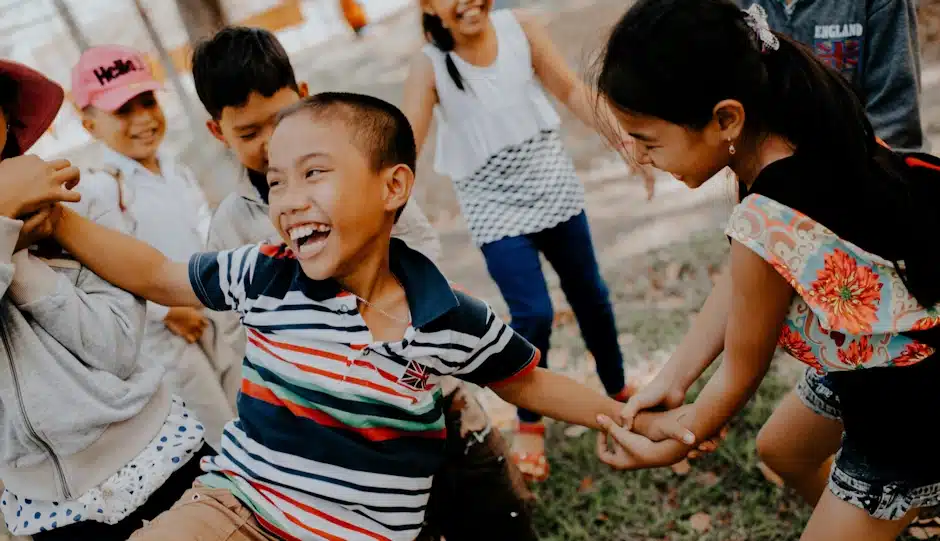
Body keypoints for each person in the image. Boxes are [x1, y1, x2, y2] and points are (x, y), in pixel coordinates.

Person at [46, 92, 681, 541]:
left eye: (313, 174)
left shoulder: (448, 320)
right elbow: (158, 274)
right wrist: (59, 220)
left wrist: (623, 416)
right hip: (238, 509)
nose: (289, 201)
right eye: (276, 184)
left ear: (393, 187)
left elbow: (526, 382)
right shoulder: (263, 272)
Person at [590, 1, 940, 539]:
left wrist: (675, 439)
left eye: (648, 141)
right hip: (887, 354)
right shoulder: (809, 134)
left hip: (909, 403)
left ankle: (894, 510)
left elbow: (736, 377)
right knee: (783, 450)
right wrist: (673, 379)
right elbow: (742, 279)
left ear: (726, 118)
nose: (640, 158)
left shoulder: (768, 210)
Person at [191, 27, 535, 539]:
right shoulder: (234, 226)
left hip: (434, 397)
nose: (270, 145)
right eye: (248, 133)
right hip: (346, 447)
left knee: (495, 512)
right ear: (218, 133)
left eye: (281, 119)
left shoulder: (360, 172)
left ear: (305, 97)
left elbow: (424, 254)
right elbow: (243, 334)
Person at [402, 0, 649, 482]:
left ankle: (617, 390)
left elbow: (570, 89)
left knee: (591, 296)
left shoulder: (521, 29)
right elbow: (407, 141)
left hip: (552, 188)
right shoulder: (430, 63)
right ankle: (530, 420)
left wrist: (622, 140)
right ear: (430, 5)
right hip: (495, 208)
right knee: (532, 312)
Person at [0, 59, 211, 541]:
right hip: (52, 510)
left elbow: (115, 346)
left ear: (7, 117)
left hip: (163, 454)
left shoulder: (75, 205)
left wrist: (26, 263)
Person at [72, 44, 236, 447]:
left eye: (147, 101)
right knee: (215, 429)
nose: (143, 118)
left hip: (216, 306)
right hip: (167, 333)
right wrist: (165, 312)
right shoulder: (99, 189)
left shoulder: (175, 168)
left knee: (247, 403)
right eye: (123, 110)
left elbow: (201, 229)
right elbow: (102, 268)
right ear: (90, 125)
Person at [737, 0, 925, 152]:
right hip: (762, 178)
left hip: (861, 175)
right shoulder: (734, 7)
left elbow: (894, 123)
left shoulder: (878, 4)